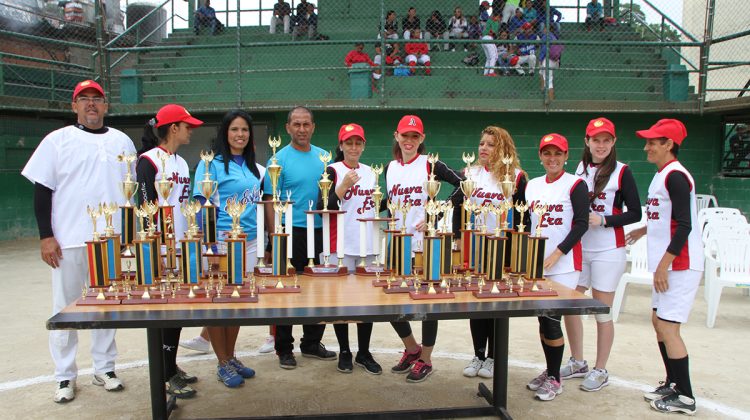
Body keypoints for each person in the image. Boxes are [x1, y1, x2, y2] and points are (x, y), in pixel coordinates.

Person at [22, 79, 133, 403]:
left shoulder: (122, 141)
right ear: (74, 106)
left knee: (107, 307)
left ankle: (104, 368)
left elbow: (130, 193)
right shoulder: (57, 140)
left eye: (96, 99)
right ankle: (65, 376)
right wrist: (46, 236)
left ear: (106, 105)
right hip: (69, 239)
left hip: (111, 240)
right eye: (83, 99)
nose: (90, 104)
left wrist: (127, 236)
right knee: (65, 309)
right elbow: (42, 190)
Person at [626, 119, 703, 415]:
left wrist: (663, 266)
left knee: (669, 328)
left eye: (652, 142)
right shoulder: (662, 175)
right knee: (659, 323)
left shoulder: (676, 177)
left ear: (668, 144)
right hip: (668, 264)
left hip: (679, 265)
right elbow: (666, 216)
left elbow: (685, 225)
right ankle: (672, 382)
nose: (646, 147)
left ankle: (685, 397)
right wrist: (643, 230)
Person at [562, 118, 642, 392]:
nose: (601, 145)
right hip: (581, 247)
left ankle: (600, 369)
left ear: (614, 142)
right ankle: (577, 361)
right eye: (596, 139)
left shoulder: (622, 172)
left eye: (607, 140)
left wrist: (605, 220)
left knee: (601, 311)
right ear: (587, 141)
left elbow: (635, 212)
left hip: (608, 249)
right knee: (570, 305)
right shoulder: (580, 168)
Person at [385, 115, 464, 383]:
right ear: (396, 136)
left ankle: (426, 360)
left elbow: (463, 186)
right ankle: (411, 349)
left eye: (414, 136)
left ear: (422, 138)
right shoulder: (390, 168)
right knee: (391, 301)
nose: (409, 141)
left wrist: (436, 212)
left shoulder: (431, 164)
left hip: (425, 244)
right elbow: (391, 201)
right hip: (397, 243)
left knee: (429, 303)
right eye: (405, 135)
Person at [193, 110, 266, 387]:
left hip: (248, 240)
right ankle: (222, 362)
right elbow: (202, 204)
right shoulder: (210, 164)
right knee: (217, 302)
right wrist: (209, 244)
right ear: (225, 132)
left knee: (237, 303)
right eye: (235, 129)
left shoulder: (251, 166)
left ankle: (231, 356)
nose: (240, 135)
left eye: (245, 130)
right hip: (221, 240)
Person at [135, 104, 202, 397]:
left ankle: (171, 367)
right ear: (173, 128)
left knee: (178, 310)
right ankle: (164, 374)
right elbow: (145, 207)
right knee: (165, 310)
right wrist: (158, 246)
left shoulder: (180, 162)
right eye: (187, 125)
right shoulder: (147, 161)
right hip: (160, 248)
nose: (191, 130)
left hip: (181, 244)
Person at [263, 106, 336, 369]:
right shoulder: (278, 160)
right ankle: (284, 348)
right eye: (297, 124)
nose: (302, 129)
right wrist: (274, 237)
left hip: (319, 232)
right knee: (287, 291)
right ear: (288, 128)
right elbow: (270, 200)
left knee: (319, 290)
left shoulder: (324, 158)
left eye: (306, 124)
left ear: (313, 127)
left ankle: (312, 343)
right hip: (289, 233)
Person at [458, 126, 527, 379]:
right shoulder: (469, 173)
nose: (483, 148)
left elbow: (524, 217)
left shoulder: (516, 177)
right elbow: (458, 207)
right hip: (476, 250)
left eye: (490, 144)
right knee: (476, 304)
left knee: (497, 304)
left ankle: (494, 357)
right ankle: (478, 354)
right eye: (482, 143)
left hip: (502, 251)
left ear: (503, 149)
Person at [525, 133, 589, 401]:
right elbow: (526, 224)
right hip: (536, 263)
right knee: (543, 319)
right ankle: (551, 370)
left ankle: (555, 379)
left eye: (558, 154)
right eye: (547, 153)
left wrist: (558, 252)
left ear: (566, 156)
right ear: (540, 156)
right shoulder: (532, 185)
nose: (553, 158)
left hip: (564, 265)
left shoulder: (575, 184)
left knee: (552, 320)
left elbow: (582, 223)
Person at [320, 123, 382, 375]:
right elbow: (324, 205)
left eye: (358, 142)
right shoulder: (332, 170)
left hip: (367, 244)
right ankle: (344, 350)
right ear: (341, 145)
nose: (353, 147)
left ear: (363, 145)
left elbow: (374, 205)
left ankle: (364, 352)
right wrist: (343, 184)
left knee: (367, 302)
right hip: (340, 244)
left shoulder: (371, 172)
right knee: (341, 302)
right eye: (349, 142)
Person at [538, 24, 560, 100]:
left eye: (544, 28)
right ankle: (543, 87)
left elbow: (544, 50)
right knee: (541, 72)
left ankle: (551, 100)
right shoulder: (554, 37)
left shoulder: (546, 36)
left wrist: (540, 59)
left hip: (548, 59)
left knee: (549, 81)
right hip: (555, 60)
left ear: (547, 29)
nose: (543, 29)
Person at [480, 11, 500, 76]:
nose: (498, 18)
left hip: (483, 39)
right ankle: (491, 72)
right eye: (498, 17)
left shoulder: (489, 21)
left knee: (489, 58)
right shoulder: (495, 22)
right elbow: (492, 32)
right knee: (494, 56)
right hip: (488, 38)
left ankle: (485, 73)